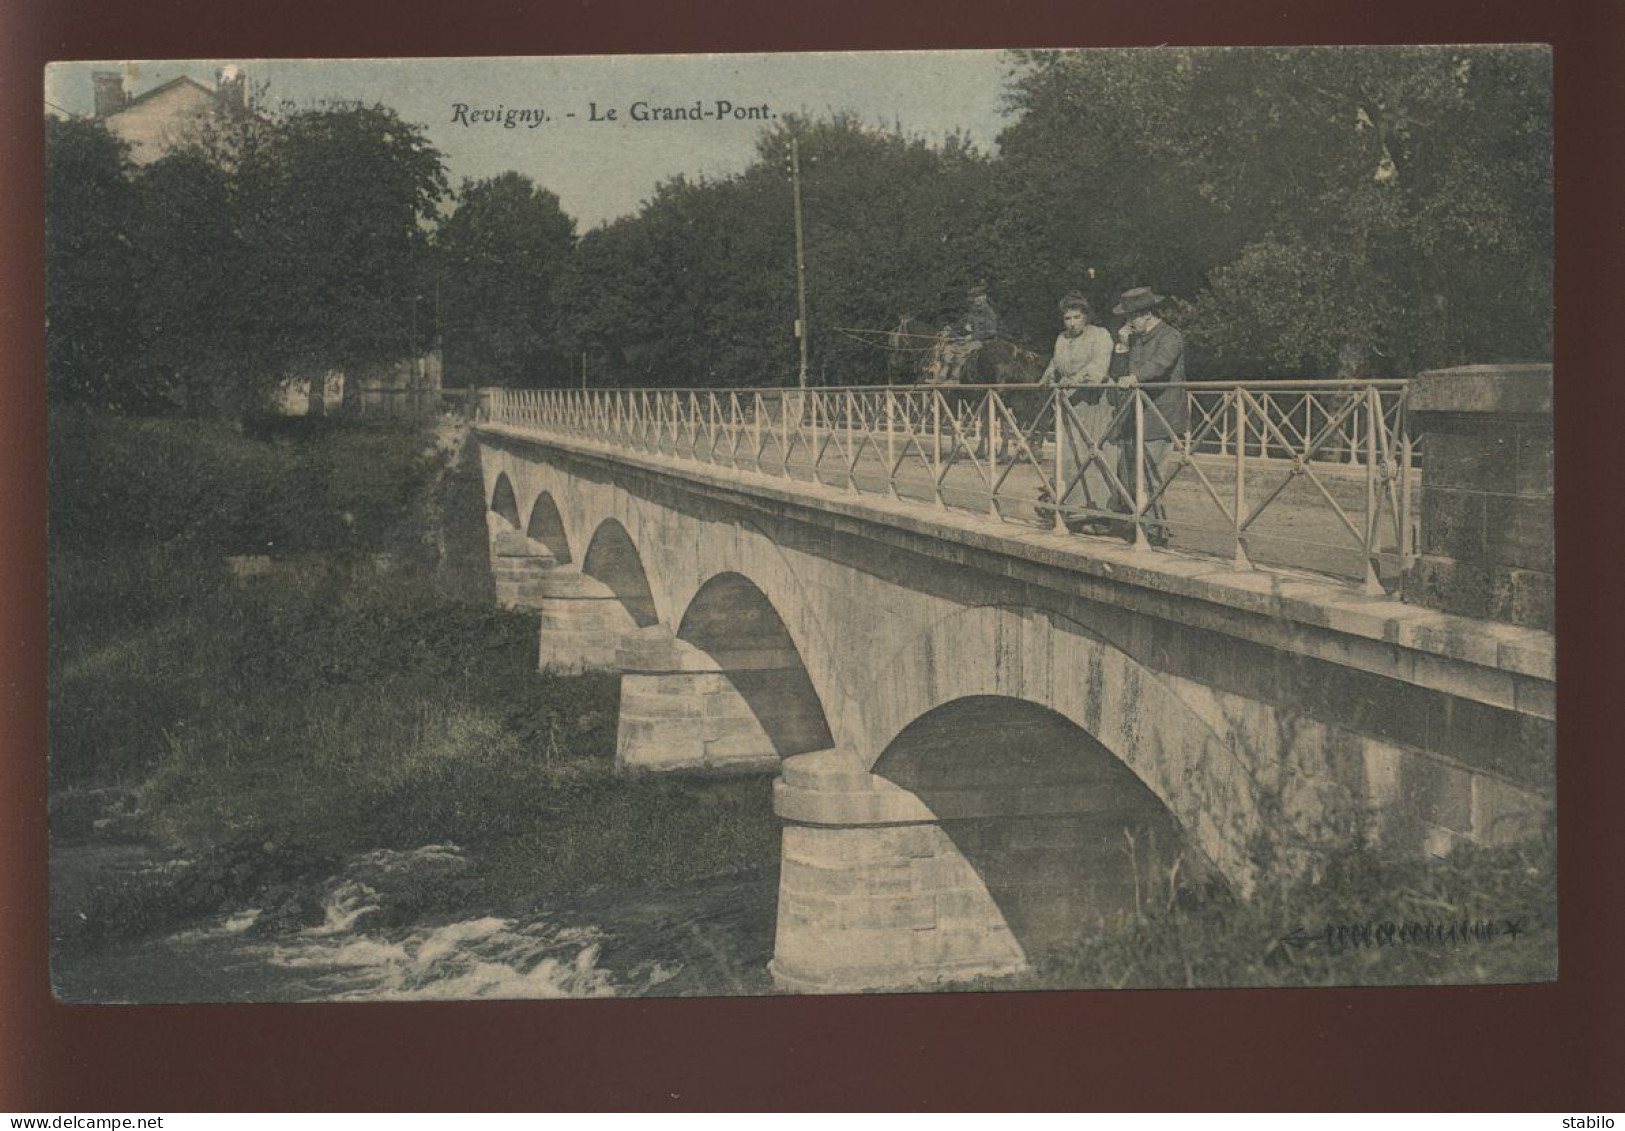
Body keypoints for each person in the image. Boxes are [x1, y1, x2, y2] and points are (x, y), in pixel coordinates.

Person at [1110, 286, 1187, 547]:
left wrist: (1135, 377)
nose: (1128, 324)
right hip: (1135, 414)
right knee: (1132, 472)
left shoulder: (1170, 336)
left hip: (1160, 414)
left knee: (1153, 474)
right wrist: (1121, 346)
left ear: (1146, 314)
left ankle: (1156, 532)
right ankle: (1140, 525)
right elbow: (1118, 373)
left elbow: (1160, 365)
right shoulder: (1132, 338)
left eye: (1131, 318)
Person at [1040, 293, 1117, 533]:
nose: (1071, 323)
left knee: (1095, 454)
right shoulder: (1062, 338)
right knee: (1070, 454)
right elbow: (1056, 362)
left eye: (1076, 317)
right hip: (1070, 403)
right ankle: (1072, 510)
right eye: (1067, 318)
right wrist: (1047, 375)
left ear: (1086, 317)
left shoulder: (1100, 335)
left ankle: (1099, 513)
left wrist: (1072, 380)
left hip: (1095, 403)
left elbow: (1098, 369)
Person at [935, 284, 1000, 383]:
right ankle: (943, 375)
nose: (976, 299)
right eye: (974, 297)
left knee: (963, 350)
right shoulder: (972, 311)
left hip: (984, 342)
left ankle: (954, 377)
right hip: (969, 340)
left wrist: (973, 336)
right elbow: (962, 325)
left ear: (984, 297)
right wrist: (950, 330)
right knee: (950, 348)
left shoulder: (989, 313)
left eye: (979, 297)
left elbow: (991, 332)